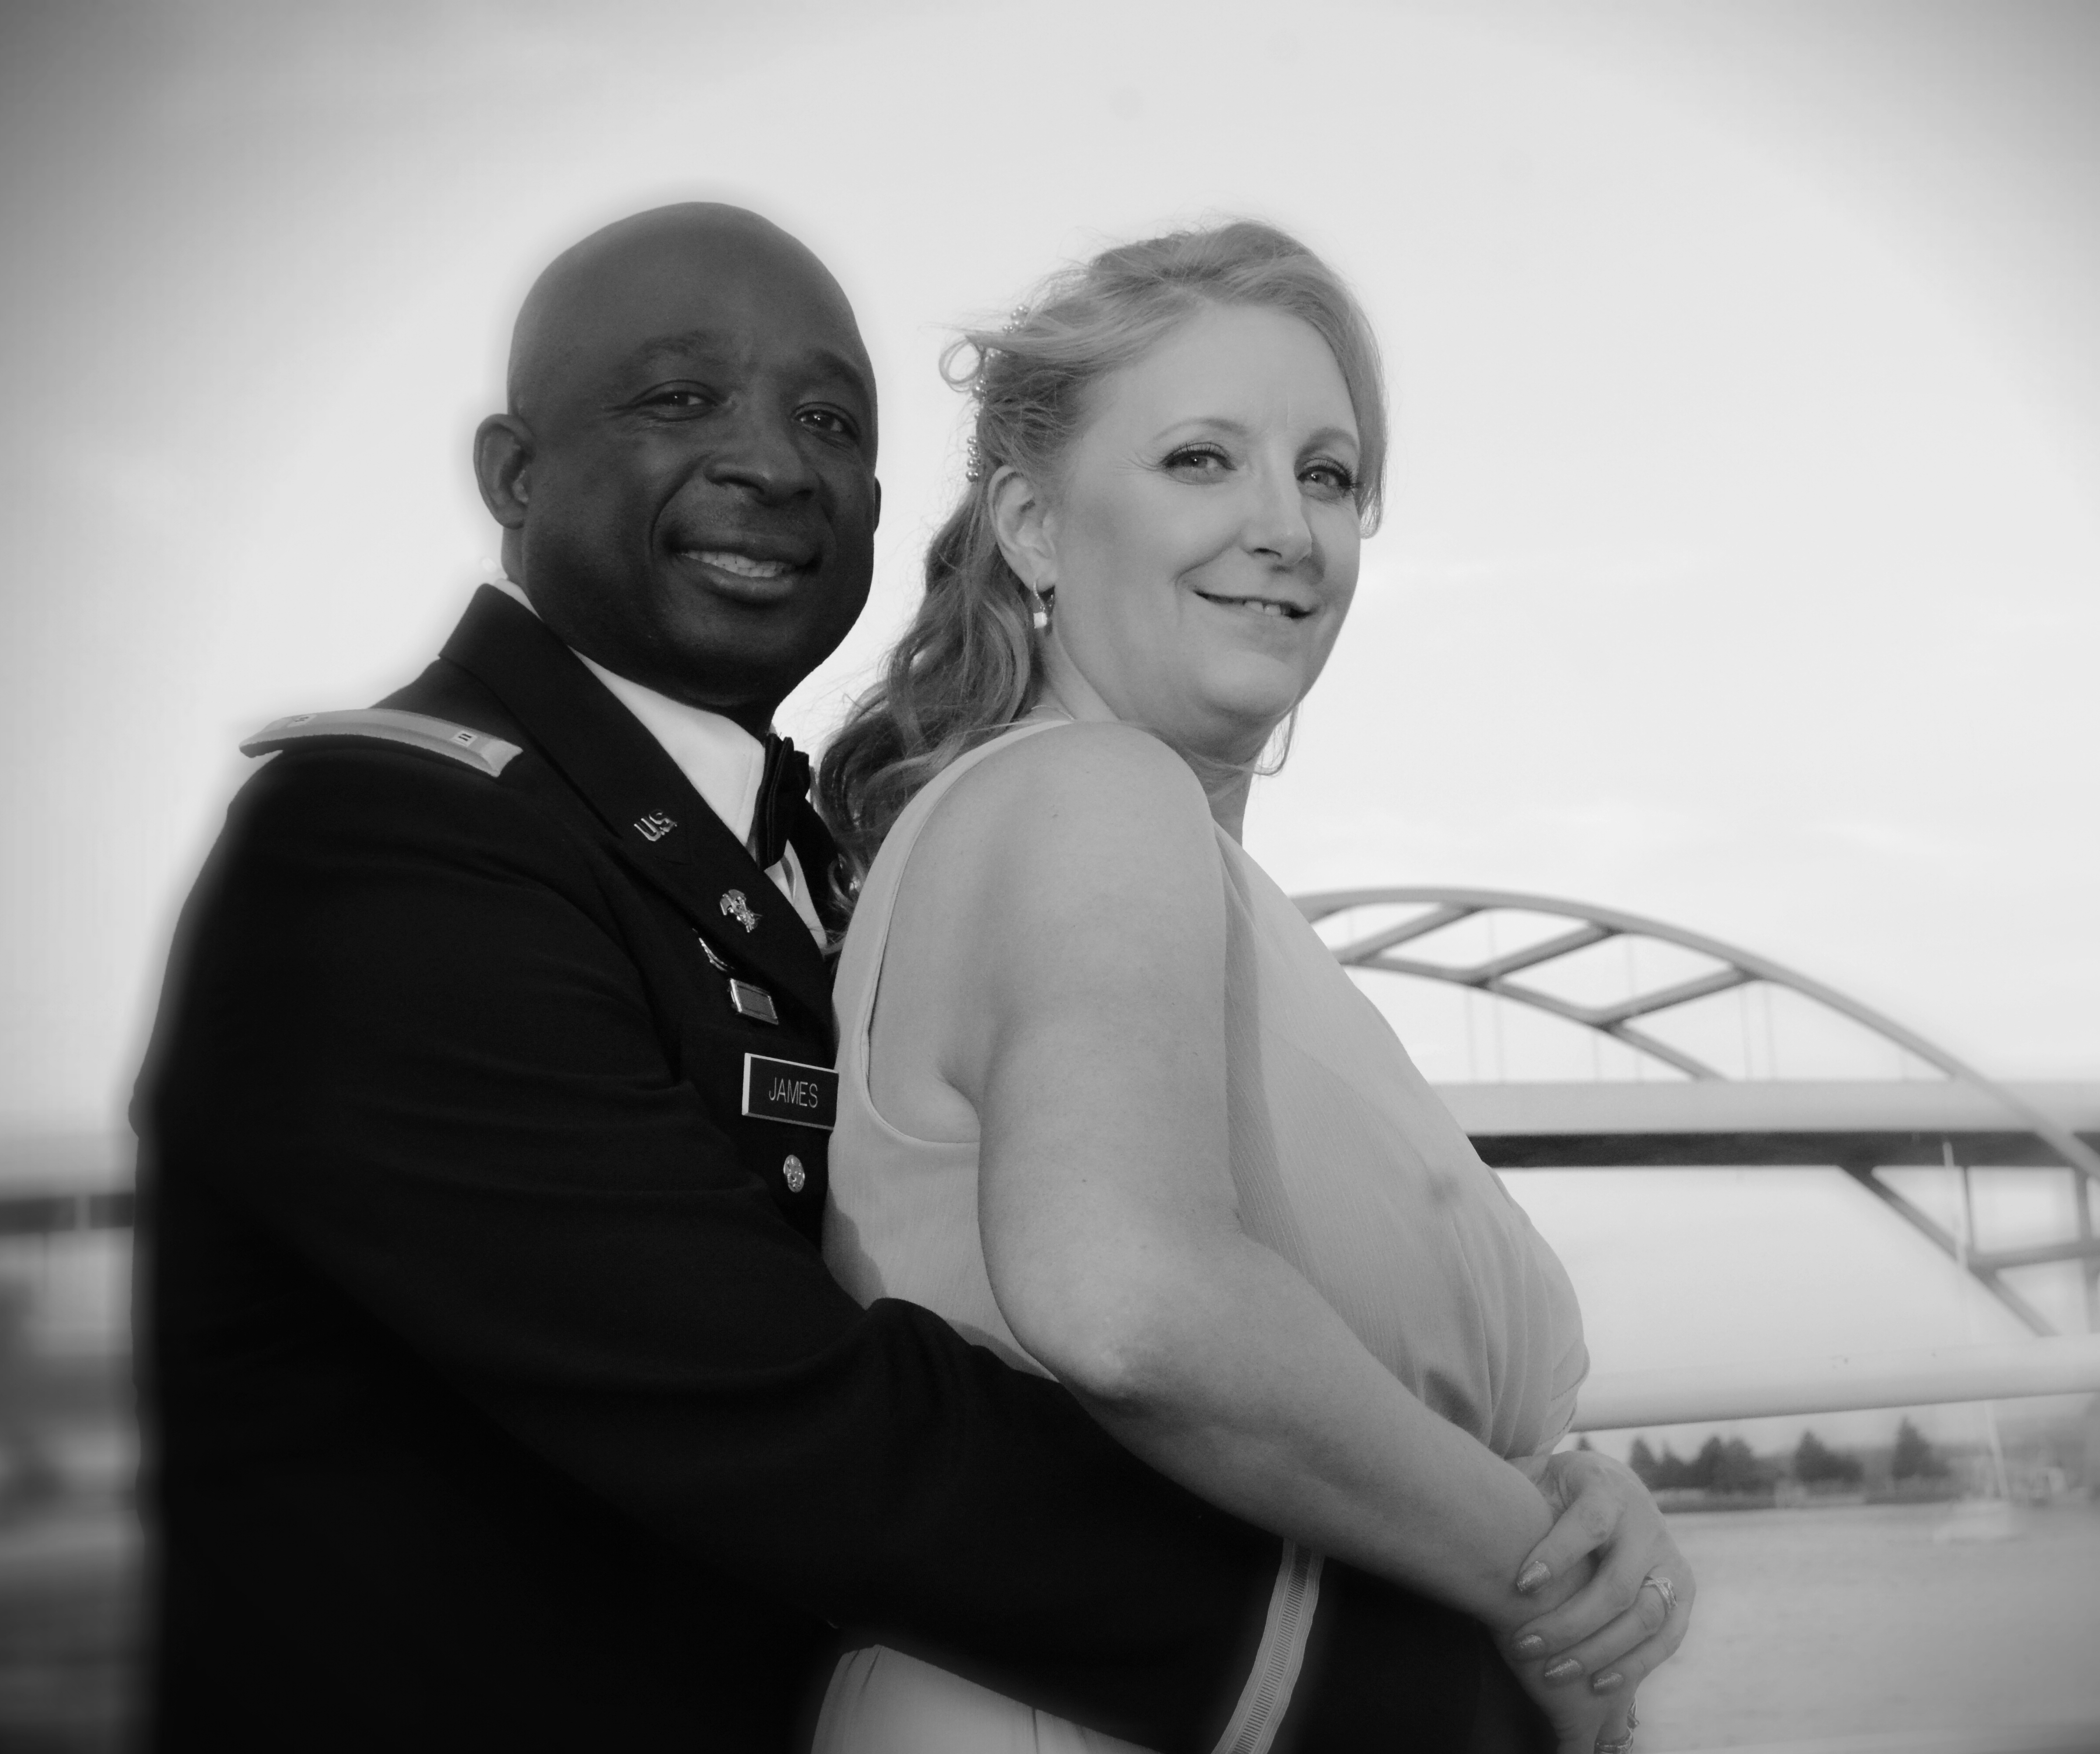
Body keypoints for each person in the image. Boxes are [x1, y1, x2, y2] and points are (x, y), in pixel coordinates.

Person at [132, 201, 1662, 1754]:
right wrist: (1462, 1616)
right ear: (515, 477)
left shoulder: (823, 866)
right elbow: (792, 1410)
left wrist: (1515, 1493)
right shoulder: (387, 843)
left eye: (829, 421)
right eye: (681, 399)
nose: (774, 463)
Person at [812, 223, 1693, 1754]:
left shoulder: (1188, 883)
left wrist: (1557, 1484)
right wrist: (1548, 1579)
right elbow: (1132, 1300)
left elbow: (1337, 1378)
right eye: (1203, 461)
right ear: (1030, 522)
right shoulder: (1092, 795)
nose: (1287, 527)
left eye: (1329, 475)